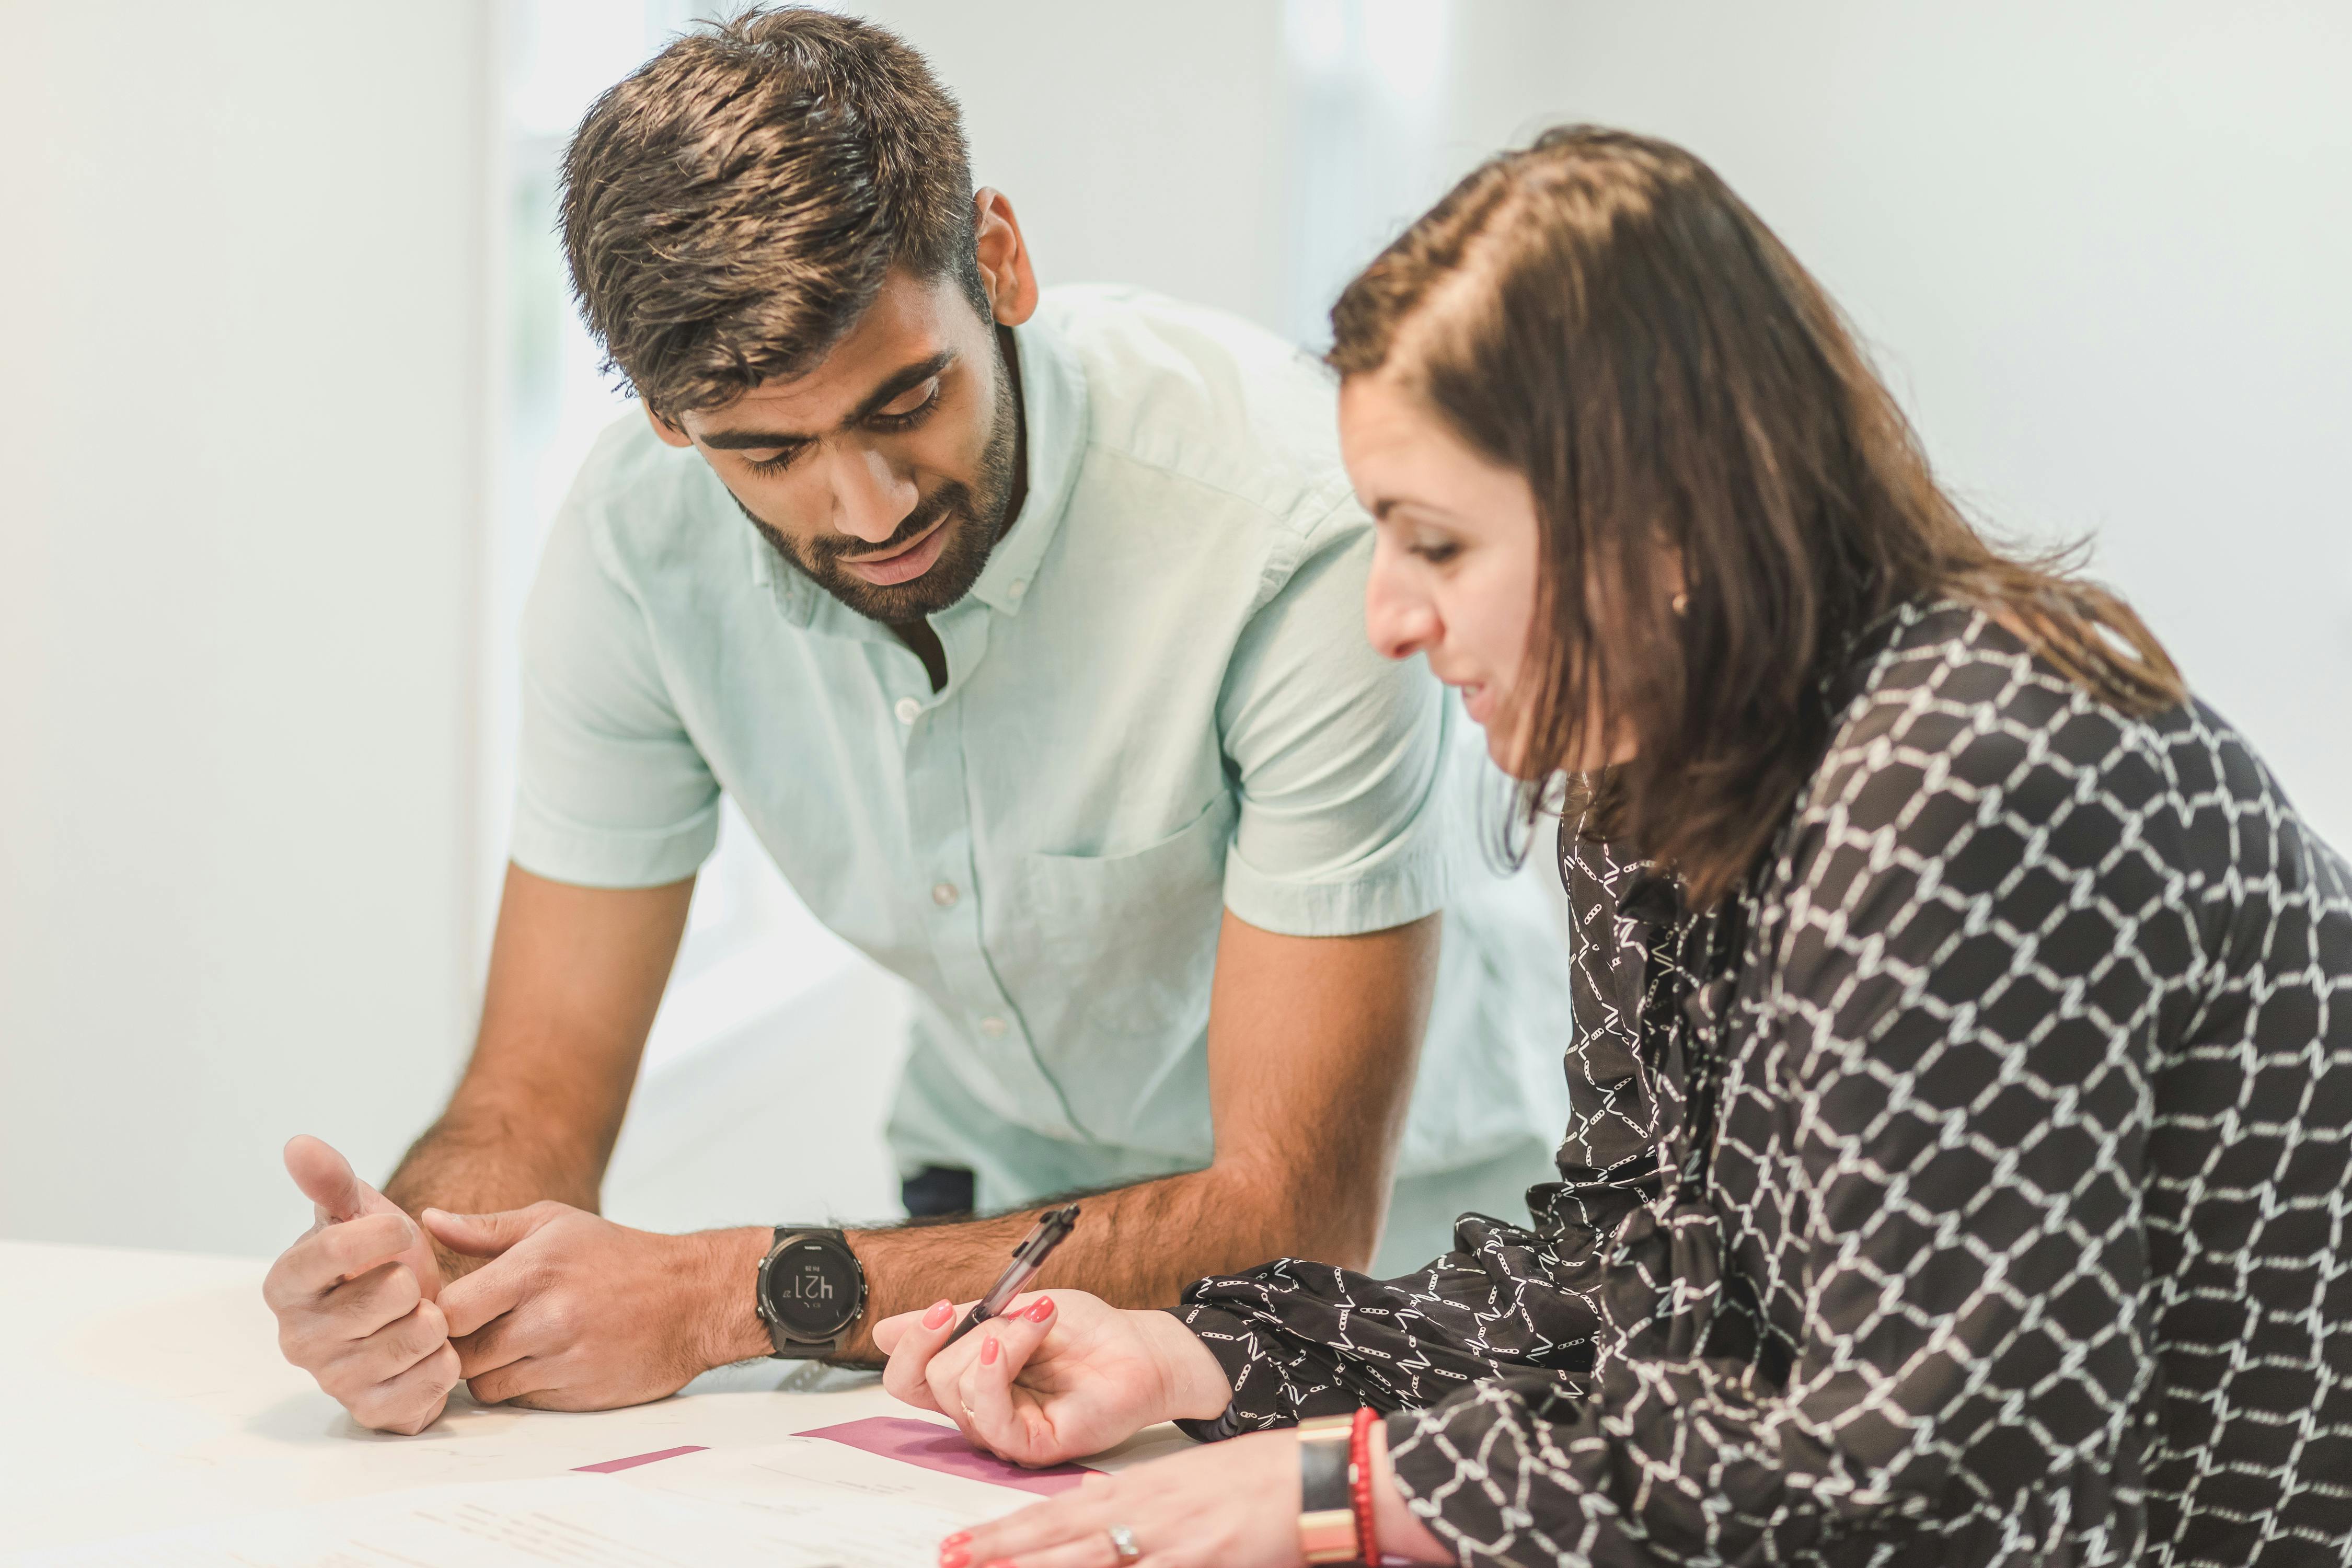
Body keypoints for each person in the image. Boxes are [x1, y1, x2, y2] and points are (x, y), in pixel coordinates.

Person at [876, 126, 2352, 1568]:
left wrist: (1355, 1490)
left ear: (1656, 523)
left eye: (1435, 543)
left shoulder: (1959, 774)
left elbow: (1946, 1486)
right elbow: (1626, 1283)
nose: (1387, 617)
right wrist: (1188, 1355)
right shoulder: (1643, 762)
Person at [258, 9, 1574, 1437]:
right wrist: (425, 1273)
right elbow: (536, 1084)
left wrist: (716, 1295)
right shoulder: (639, 546)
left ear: (997, 258)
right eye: (771, 453)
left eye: (908, 401)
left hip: (1413, 1271)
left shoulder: (1289, 534)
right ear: (666, 417)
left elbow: (1292, 1210)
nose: (869, 509)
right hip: (986, 1232)